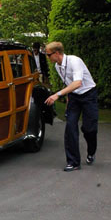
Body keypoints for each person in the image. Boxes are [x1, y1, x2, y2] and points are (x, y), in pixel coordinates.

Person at [44, 41, 98, 172]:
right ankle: (73, 162)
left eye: (48, 55)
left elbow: (78, 82)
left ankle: (91, 151)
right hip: (74, 97)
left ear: (56, 53)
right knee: (70, 127)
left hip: (88, 95)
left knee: (89, 129)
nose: (47, 57)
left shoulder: (75, 61)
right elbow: (70, 84)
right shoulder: (57, 66)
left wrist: (58, 94)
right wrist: (69, 97)